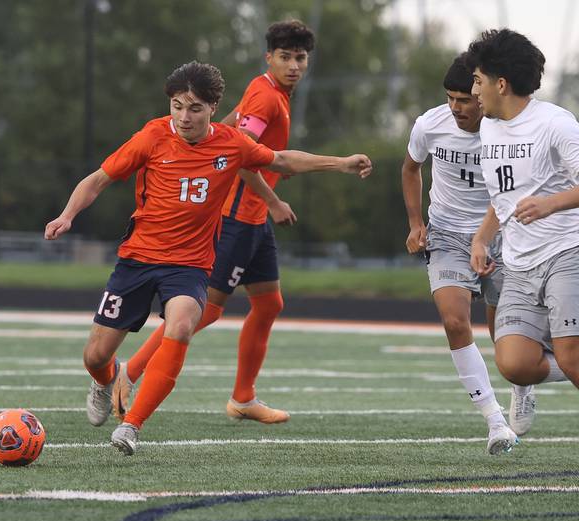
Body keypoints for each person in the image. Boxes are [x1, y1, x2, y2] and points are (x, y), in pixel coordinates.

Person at [45, 60, 371, 456]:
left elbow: (281, 160)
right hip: (137, 261)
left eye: (194, 108)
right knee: (95, 355)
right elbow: (98, 179)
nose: (184, 116)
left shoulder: (231, 143)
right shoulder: (150, 137)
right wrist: (67, 215)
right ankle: (105, 379)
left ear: (214, 107)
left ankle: (132, 426)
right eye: (178, 106)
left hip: (189, 266)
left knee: (181, 325)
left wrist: (340, 163)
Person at [113, 20, 316, 425]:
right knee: (205, 311)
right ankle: (128, 373)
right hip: (238, 217)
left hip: (255, 219)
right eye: (285, 57)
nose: (293, 65)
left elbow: (231, 136)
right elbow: (237, 158)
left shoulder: (273, 93)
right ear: (269, 58)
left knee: (269, 302)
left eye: (300, 57)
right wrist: (274, 199)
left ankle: (243, 397)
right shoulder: (265, 96)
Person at [402, 53, 519, 454]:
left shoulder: (505, 131)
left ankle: (521, 388)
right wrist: (417, 224)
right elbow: (411, 168)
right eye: (450, 98)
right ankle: (495, 423)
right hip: (448, 236)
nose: (456, 108)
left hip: (501, 235)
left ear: (483, 93)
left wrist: (483, 239)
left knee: (509, 340)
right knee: (454, 321)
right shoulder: (429, 125)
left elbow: (509, 193)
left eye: (465, 99)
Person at [468, 29, 575, 432]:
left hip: (567, 251)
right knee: (513, 364)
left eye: (478, 80)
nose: (473, 89)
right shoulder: (489, 128)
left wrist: (550, 203)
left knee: (571, 356)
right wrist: (481, 238)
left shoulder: (555, 123)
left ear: (501, 83)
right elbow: (503, 199)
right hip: (517, 262)